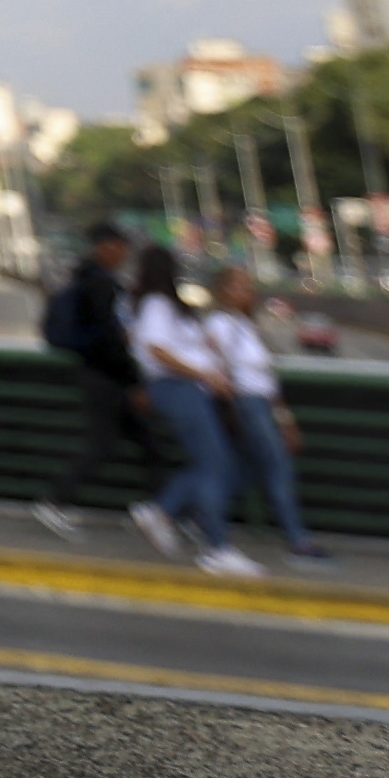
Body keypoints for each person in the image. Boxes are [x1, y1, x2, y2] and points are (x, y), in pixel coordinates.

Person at [128, 245, 252, 575]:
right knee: (213, 463)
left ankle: (162, 510)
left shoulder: (159, 305)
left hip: (185, 389)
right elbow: (157, 350)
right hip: (178, 388)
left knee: (211, 461)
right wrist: (203, 373)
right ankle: (215, 546)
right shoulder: (157, 304)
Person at [33, 222, 160, 540]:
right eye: (120, 247)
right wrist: (134, 382)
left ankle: (164, 509)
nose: (124, 254)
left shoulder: (84, 279)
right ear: (107, 247)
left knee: (142, 444)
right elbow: (112, 340)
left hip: (97, 374)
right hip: (107, 377)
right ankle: (55, 501)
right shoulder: (103, 286)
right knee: (112, 444)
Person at [203, 267, 324, 567]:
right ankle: (297, 540)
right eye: (240, 287)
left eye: (249, 287)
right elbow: (217, 368)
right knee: (277, 467)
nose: (248, 292)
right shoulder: (220, 324)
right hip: (246, 403)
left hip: (263, 404)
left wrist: (284, 417)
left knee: (245, 470)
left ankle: (197, 514)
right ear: (224, 290)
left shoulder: (244, 324)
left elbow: (267, 377)